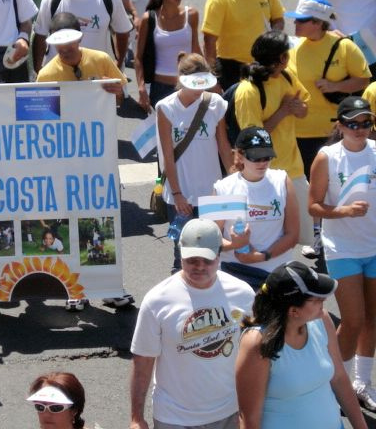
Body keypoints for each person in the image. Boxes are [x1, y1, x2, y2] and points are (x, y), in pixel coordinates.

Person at [35, 15, 132, 311]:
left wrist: (115, 92)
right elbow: (43, 124)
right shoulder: (46, 75)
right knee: (69, 222)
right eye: (58, 43)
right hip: (65, 162)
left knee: (103, 222)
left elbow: (120, 96)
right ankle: (74, 288)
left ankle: (109, 285)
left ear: (79, 38)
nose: (64, 48)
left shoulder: (100, 59)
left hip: (100, 156)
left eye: (69, 41)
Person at [130, 218, 255, 429]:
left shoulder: (243, 294)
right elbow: (142, 362)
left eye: (207, 260)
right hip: (175, 418)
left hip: (230, 411)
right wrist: (136, 418)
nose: (199, 266)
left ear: (219, 254)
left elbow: (254, 355)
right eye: (192, 260)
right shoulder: (157, 300)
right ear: (180, 253)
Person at [285, 0, 370, 259]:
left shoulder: (344, 47)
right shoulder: (293, 48)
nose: (295, 25)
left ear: (318, 23)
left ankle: (329, 234)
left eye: (301, 21)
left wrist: (335, 86)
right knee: (311, 187)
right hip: (298, 131)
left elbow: (364, 79)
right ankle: (317, 233)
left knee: (332, 185)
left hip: (332, 131)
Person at [236, 261, 367, 429]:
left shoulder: (322, 319)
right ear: (293, 311)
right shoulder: (256, 342)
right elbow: (249, 419)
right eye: (316, 299)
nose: (324, 300)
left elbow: (340, 378)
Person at [308, 96, 376, 411]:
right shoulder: (327, 157)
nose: (360, 129)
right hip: (342, 249)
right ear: (340, 125)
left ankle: (363, 383)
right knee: (353, 319)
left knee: (373, 319)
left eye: (366, 123)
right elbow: (313, 206)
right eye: (353, 123)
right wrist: (345, 211)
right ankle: (340, 383)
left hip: (374, 247)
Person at [235, 30, 314, 247]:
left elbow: (304, 108)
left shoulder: (288, 76)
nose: (289, 58)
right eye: (287, 54)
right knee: (270, 238)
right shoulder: (248, 91)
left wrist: (299, 108)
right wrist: (283, 111)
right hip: (264, 175)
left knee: (303, 235)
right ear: (280, 59)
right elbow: (252, 139)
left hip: (294, 170)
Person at [157, 53, 232, 271]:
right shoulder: (166, 107)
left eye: (203, 84)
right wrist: (178, 194)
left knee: (213, 250)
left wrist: (234, 180)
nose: (200, 90)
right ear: (181, 79)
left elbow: (223, 146)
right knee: (182, 252)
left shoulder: (216, 103)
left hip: (212, 191)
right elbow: (167, 154)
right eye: (195, 85)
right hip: (181, 193)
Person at [214, 127, 299, 291]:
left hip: (275, 273)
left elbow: (293, 234)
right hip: (235, 274)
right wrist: (234, 245)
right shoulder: (224, 188)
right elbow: (210, 238)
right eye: (256, 157)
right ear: (239, 154)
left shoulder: (282, 180)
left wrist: (261, 256)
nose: (262, 162)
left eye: (267, 156)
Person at [202, 0, 284, 90]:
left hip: (263, 66)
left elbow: (278, 19)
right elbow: (209, 42)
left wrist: (272, 38)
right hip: (231, 71)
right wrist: (214, 80)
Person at [134, 0, 201, 112]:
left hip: (188, 85)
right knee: (163, 133)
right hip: (160, 89)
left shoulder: (192, 15)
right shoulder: (149, 19)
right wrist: (141, 88)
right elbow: (138, 57)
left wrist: (208, 77)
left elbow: (196, 51)